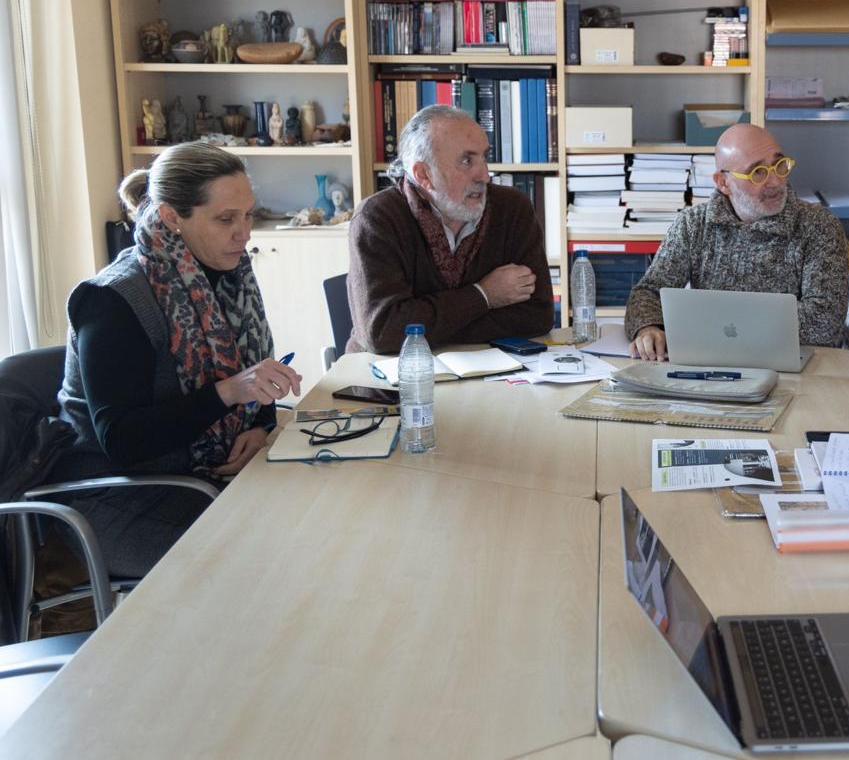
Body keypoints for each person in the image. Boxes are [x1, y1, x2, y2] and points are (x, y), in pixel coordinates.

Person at [53, 142, 301, 573]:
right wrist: (227, 392)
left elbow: (251, 379)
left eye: (248, 215)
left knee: (318, 511)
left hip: (200, 477)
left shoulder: (227, 276)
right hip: (118, 496)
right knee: (275, 553)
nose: (244, 233)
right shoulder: (112, 299)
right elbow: (123, 440)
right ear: (171, 217)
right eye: (226, 219)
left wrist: (260, 425)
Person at [624, 123, 848, 360]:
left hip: (800, 366)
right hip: (711, 363)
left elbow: (825, 321)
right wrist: (648, 328)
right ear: (723, 183)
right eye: (758, 172)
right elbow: (648, 292)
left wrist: (714, 326)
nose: (774, 181)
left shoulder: (819, 226)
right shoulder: (693, 224)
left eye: (779, 165)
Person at [346, 105, 554, 353]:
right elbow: (383, 332)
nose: (485, 175)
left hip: (489, 371)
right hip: (389, 377)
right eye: (466, 161)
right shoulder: (377, 218)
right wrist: (484, 295)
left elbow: (537, 316)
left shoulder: (512, 208)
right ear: (423, 174)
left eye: (484, 157)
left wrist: (424, 324)